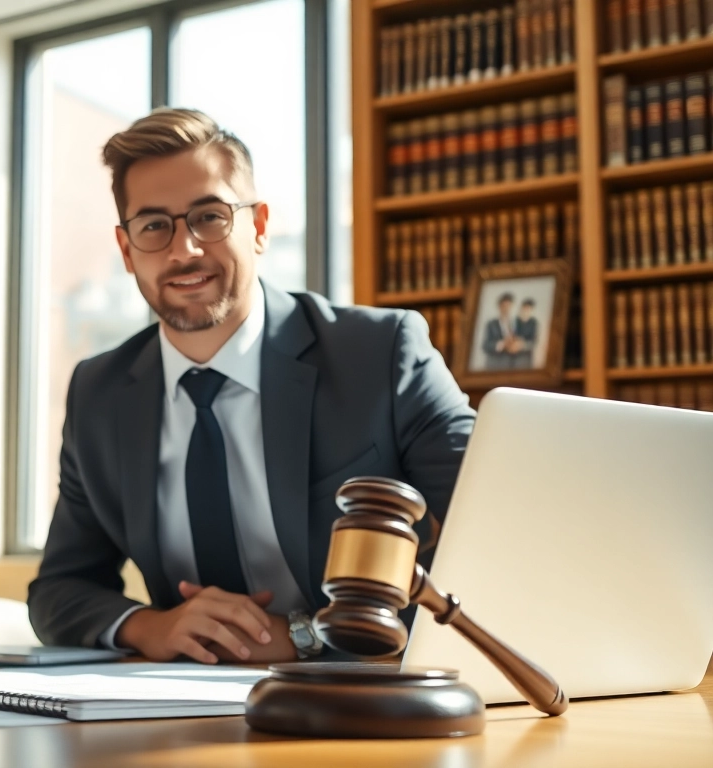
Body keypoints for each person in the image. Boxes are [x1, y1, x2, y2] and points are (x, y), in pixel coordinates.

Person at [26, 108, 476, 665]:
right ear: (127, 250)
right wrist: (148, 627)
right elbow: (59, 590)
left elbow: (495, 535)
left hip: (365, 689)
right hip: (179, 701)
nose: (184, 250)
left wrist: (310, 636)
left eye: (209, 217)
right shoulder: (99, 393)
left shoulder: (381, 354)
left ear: (259, 227)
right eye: (154, 226)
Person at [481, 292, 519, 371]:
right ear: (499, 307)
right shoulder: (491, 324)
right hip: (495, 367)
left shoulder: (516, 324)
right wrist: (502, 344)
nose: (507, 309)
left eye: (509, 306)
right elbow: (485, 345)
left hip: (512, 367)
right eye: (504, 306)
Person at [512, 298, 538, 369]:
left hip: (526, 355)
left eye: (528, 309)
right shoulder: (515, 320)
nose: (526, 310)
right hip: (513, 355)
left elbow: (534, 341)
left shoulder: (533, 323)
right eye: (525, 308)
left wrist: (523, 344)